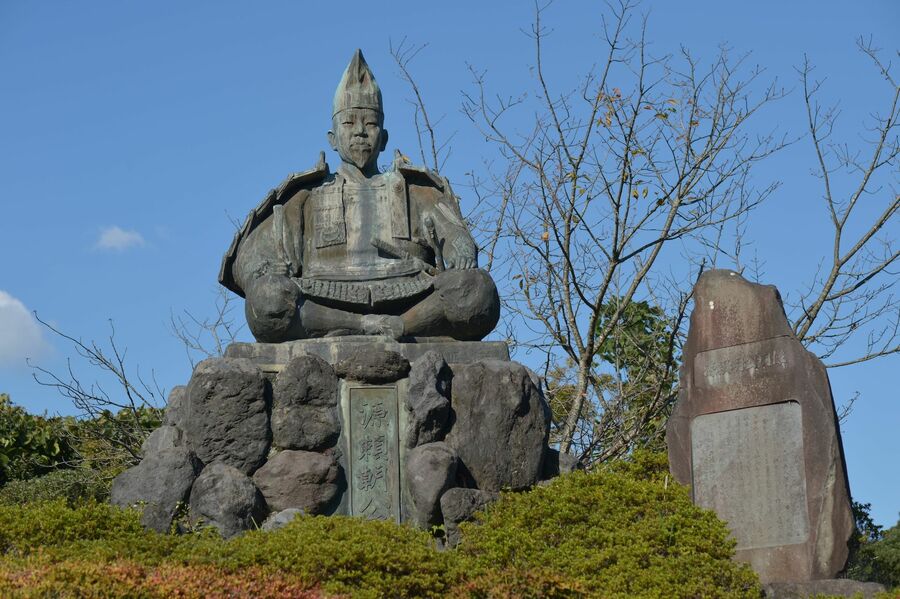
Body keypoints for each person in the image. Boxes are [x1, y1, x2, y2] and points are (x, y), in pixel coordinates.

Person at [219, 50, 500, 342]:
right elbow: (249, 258)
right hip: (323, 301)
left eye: (370, 124)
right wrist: (264, 271)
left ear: (384, 138)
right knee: (266, 299)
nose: (360, 132)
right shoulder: (305, 195)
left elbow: (455, 236)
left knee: (477, 288)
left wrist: (460, 249)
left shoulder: (417, 190)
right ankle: (360, 325)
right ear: (332, 139)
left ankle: (402, 326)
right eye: (349, 123)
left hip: (411, 299)